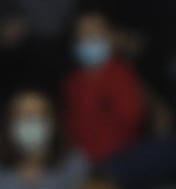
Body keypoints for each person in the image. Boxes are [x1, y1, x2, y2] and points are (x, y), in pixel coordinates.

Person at [61, 9, 145, 168]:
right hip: (80, 162)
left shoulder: (123, 75)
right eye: (84, 34)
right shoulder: (72, 82)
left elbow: (132, 120)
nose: (90, 39)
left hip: (120, 160)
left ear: (110, 37)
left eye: (96, 34)